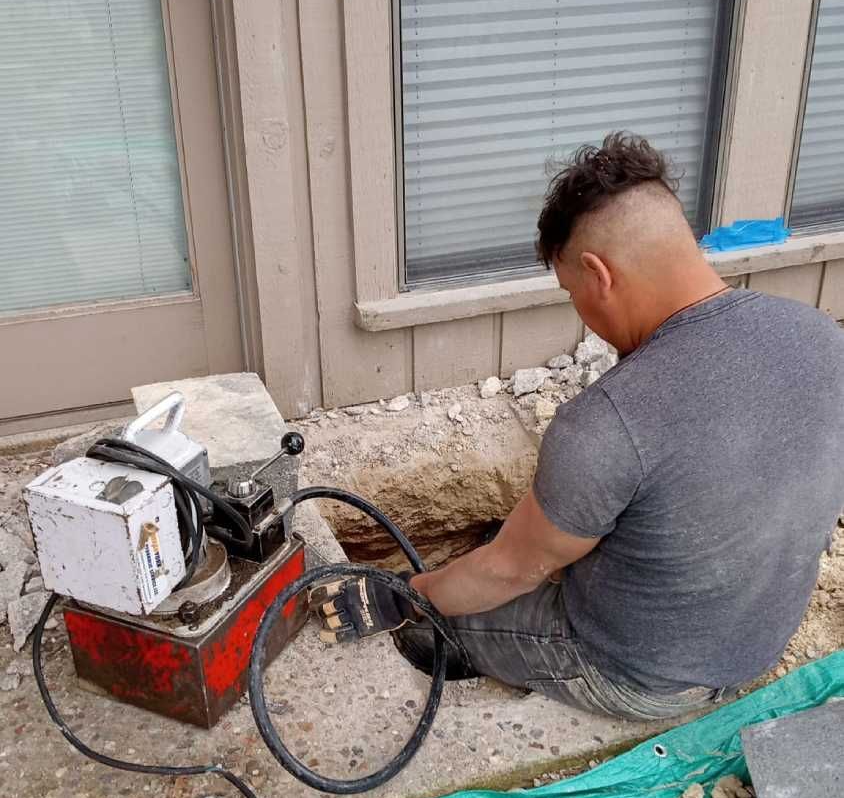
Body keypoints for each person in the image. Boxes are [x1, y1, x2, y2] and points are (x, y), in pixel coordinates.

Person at [312, 134, 844, 721]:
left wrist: (407, 598)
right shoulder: (822, 338)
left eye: (572, 293)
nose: (581, 316)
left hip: (641, 675)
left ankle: (438, 654)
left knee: (449, 613)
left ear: (598, 272)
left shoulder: (610, 420)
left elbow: (512, 570)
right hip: (755, 645)